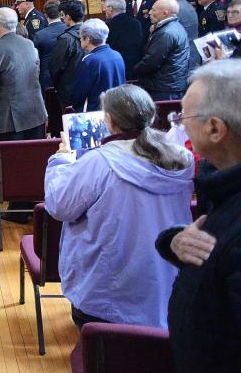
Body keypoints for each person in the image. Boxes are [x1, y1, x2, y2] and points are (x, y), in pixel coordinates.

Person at [45, 84, 193, 329]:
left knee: (110, 361)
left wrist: (61, 159)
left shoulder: (99, 162)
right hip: (165, 276)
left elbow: (60, 206)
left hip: (108, 289)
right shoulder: (180, 157)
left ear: (109, 120)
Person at [153, 61, 241, 373]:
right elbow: (214, 243)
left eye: (183, 117)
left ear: (215, 129)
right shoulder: (221, 184)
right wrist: (173, 241)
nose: (178, 125)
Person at [0, 7, 47, 142]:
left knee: (13, 161)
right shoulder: (29, 44)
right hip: (36, 114)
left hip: (10, 122)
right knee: (36, 160)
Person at [133, 0, 190, 100]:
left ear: (165, 13)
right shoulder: (175, 27)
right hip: (170, 85)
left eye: (153, 10)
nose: (150, 12)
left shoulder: (166, 33)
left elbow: (152, 61)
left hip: (163, 88)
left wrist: (135, 71)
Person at [70, 19, 126, 112]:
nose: (80, 39)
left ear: (87, 39)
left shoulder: (90, 60)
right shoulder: (117, 55)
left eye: (81, 37)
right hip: (117, 110)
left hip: (96, 112)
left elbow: (79, 93)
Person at [49, 0, 86, 108]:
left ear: (68, 17)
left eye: (63, 15)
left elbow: (55, 67)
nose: (62, 18)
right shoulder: (93, 33)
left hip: (69, 91)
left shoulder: (66, 39)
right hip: (90, 87)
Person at [102, 0, 144, 78]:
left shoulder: (108, 26)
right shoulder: (136, 23)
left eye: (105, 7)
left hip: (117, 66)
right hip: (135, 65)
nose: (104, 9)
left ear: (110, 9)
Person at [34, 0, 68, 91]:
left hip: (47, 80)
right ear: (61, 13)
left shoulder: (39, 35)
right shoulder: (70, 30)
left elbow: (36, 60)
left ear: (45, 15)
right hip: (68, 76)